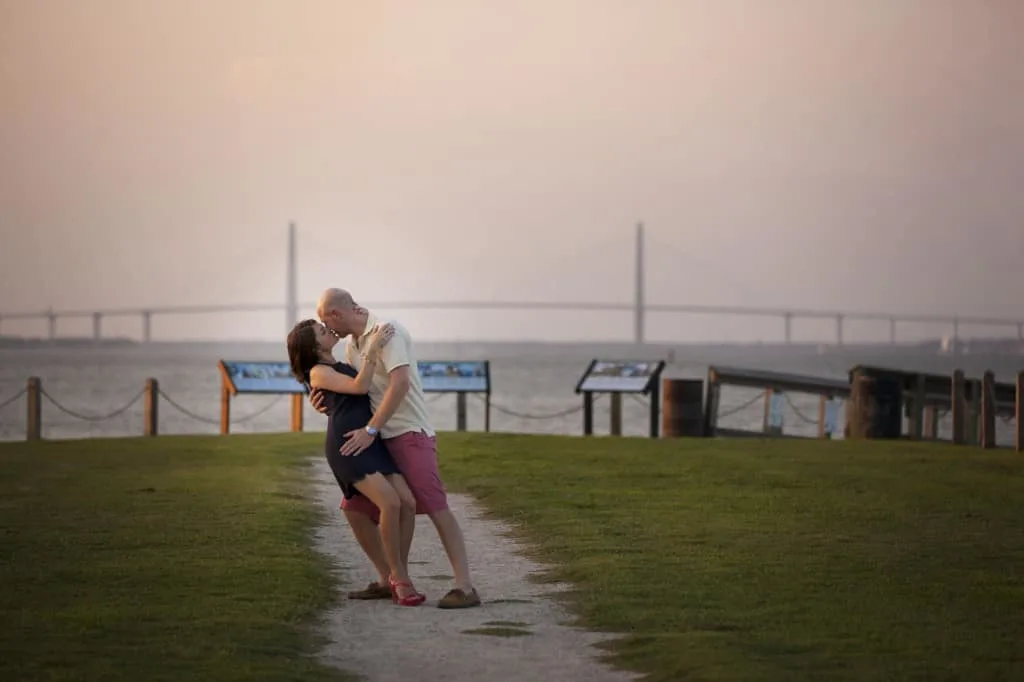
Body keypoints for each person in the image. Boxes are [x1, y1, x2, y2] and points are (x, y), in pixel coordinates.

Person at [311, 288, 481, 609]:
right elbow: (356, 390)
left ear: (336, 314)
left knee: (435, 505)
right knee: (354, 508)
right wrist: (322, 399)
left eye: (325, 321)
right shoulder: (353, 346)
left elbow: (400, 383)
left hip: (407, 434)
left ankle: (465, 586)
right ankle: (386, 578)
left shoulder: (387, 333)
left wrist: (371, 429)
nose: (327, 328)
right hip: (378, 441)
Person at [286, 317, 426, 607]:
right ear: (314, 346)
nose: (329, 330)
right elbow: (360, 387)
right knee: (390, 503)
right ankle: (399, 579)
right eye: (322, 332)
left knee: (407, 502)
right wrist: (374, 349)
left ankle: (395, 574)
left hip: (369, 439)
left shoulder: (339, 364)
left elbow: (363, 388)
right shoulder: (318, 371)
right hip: (347, 445)